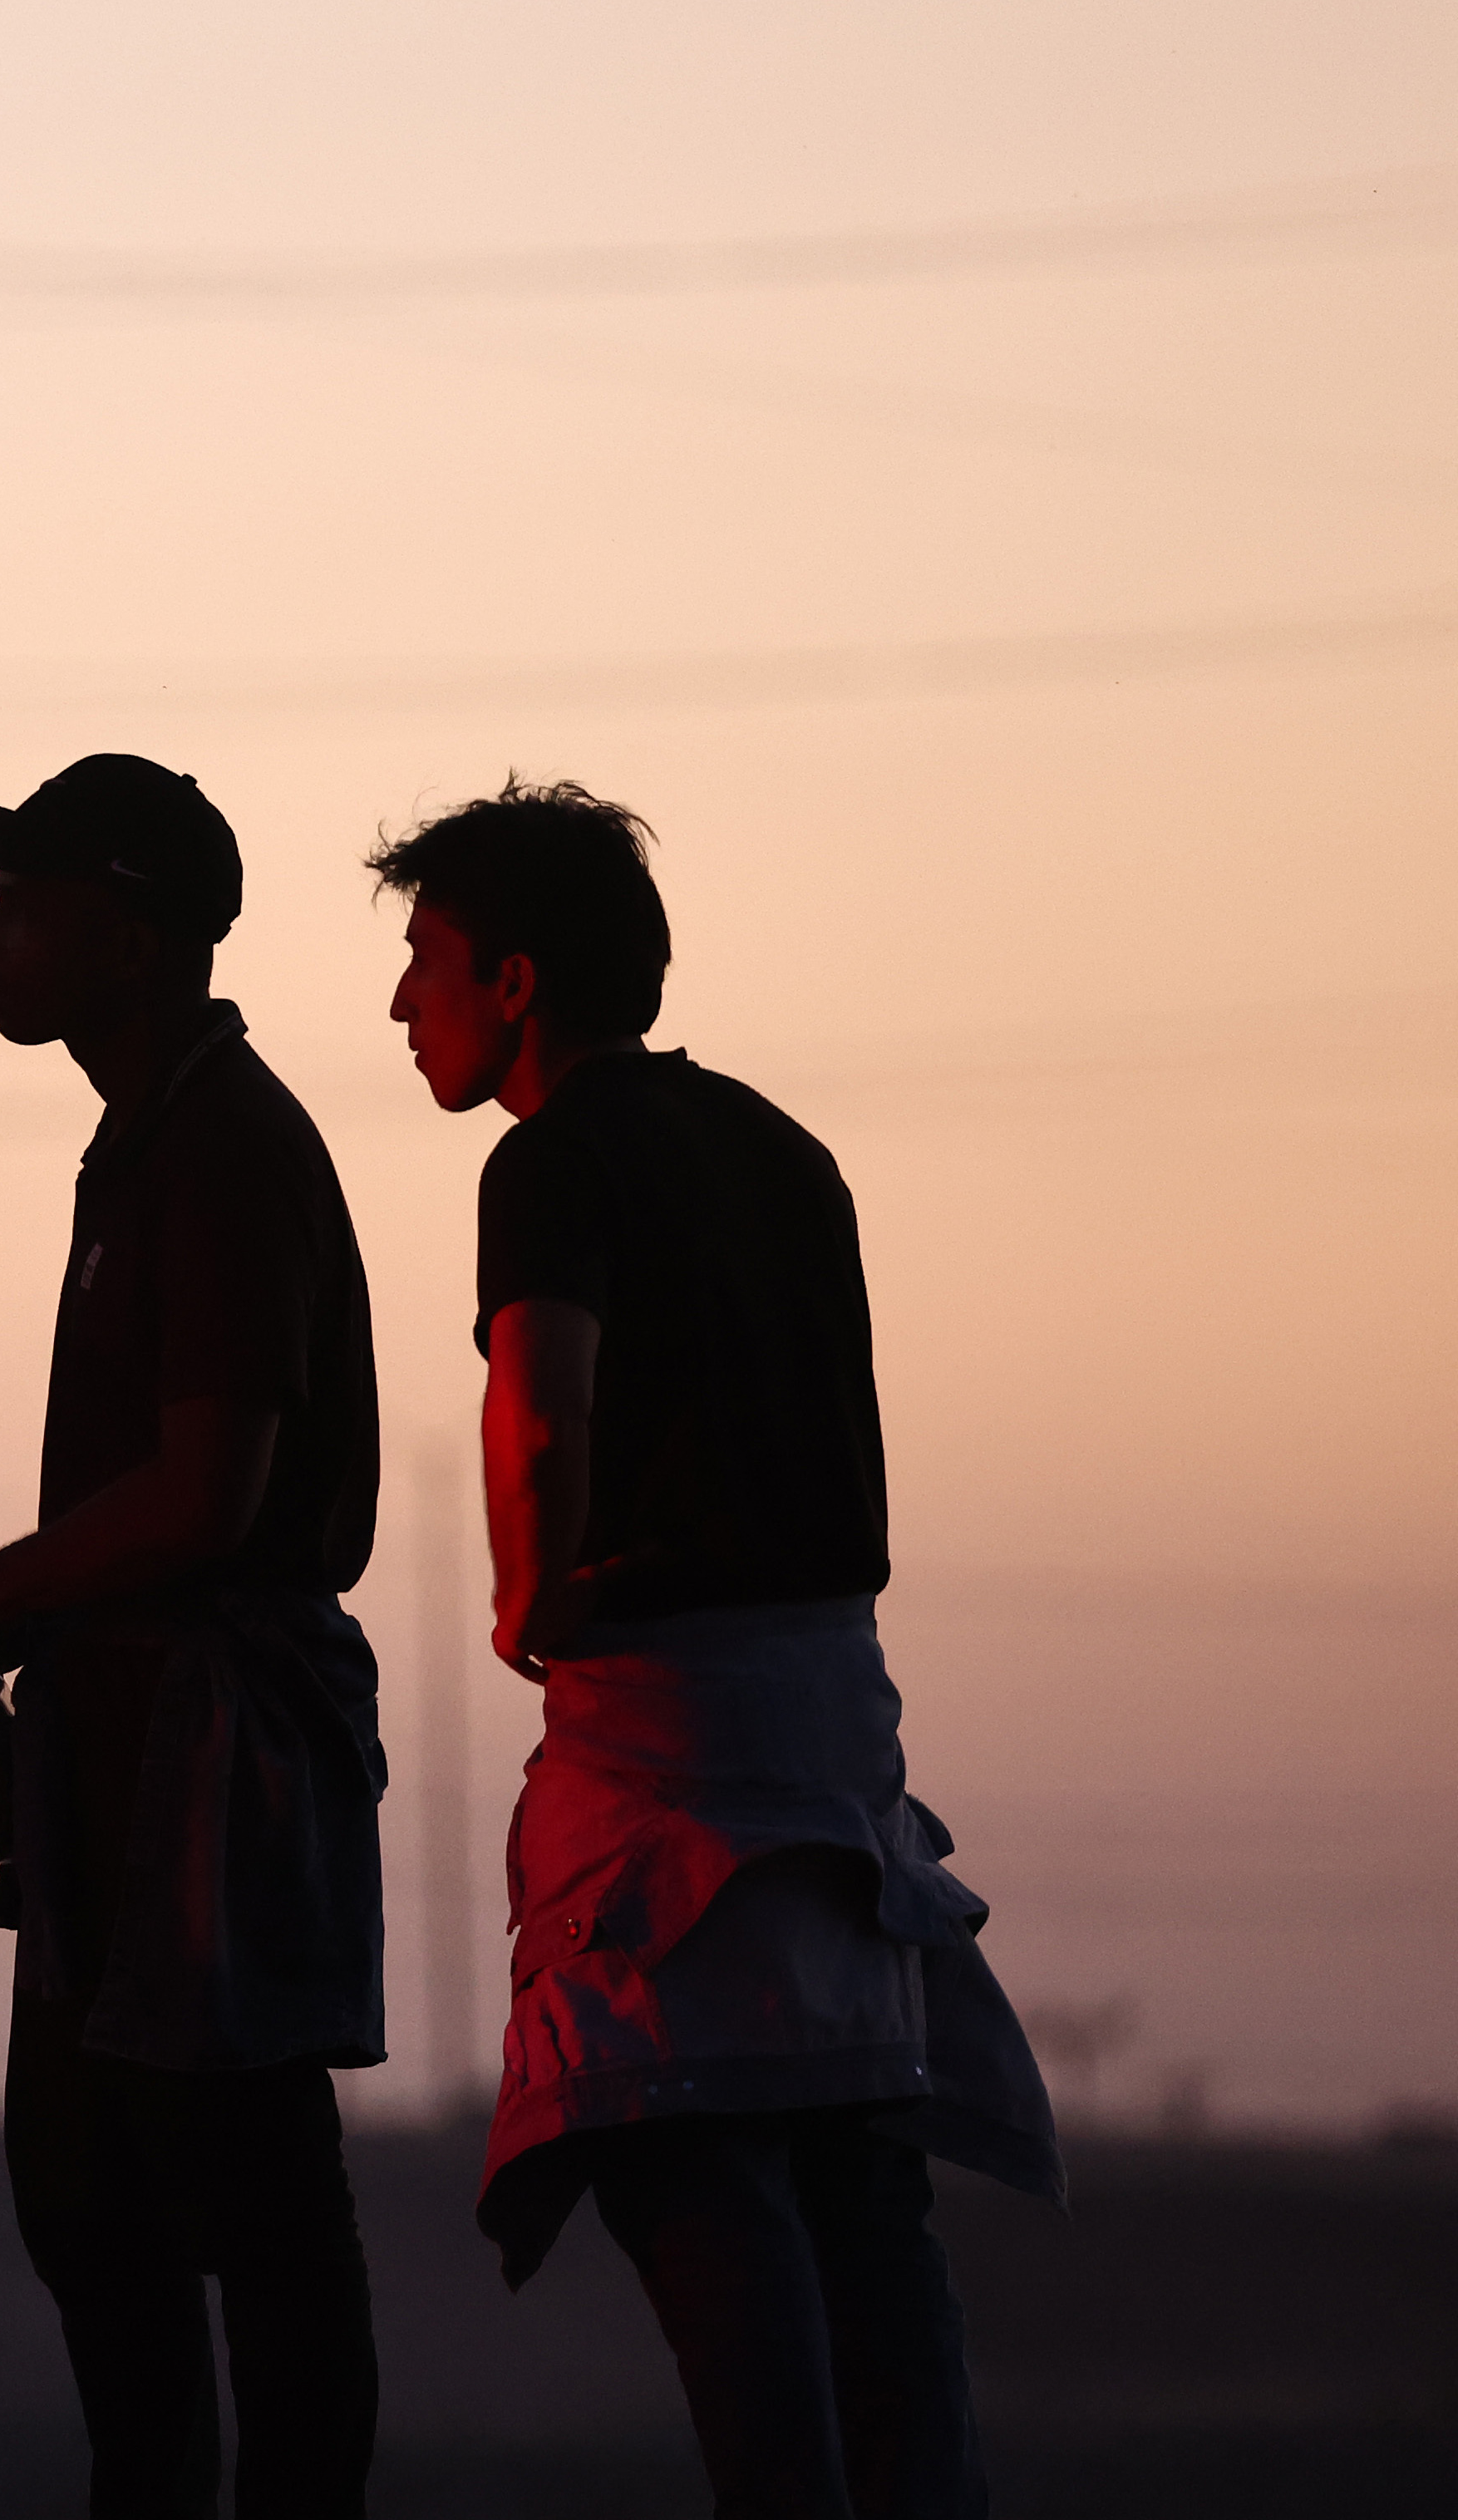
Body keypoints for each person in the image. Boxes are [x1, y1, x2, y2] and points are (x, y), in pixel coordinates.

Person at [374, 780, 1056, 2520]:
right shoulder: (777, 1149)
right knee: (853, 2187)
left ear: (511, 982)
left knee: (686, 2154)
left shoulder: (548, 1161)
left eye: (422, 961)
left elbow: (538, 1411)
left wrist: (533, 1604)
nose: (400, 1005)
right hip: (838, 1735)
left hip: (665, 1752)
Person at [0, 755, 388, 2519]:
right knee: (93, 2206)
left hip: (209, 1749)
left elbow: (204, 1491)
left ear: (121, 923)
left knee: (243, 2194)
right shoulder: (152, 1136)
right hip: (128, 1744)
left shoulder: (223, 1147)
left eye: (18, 899)